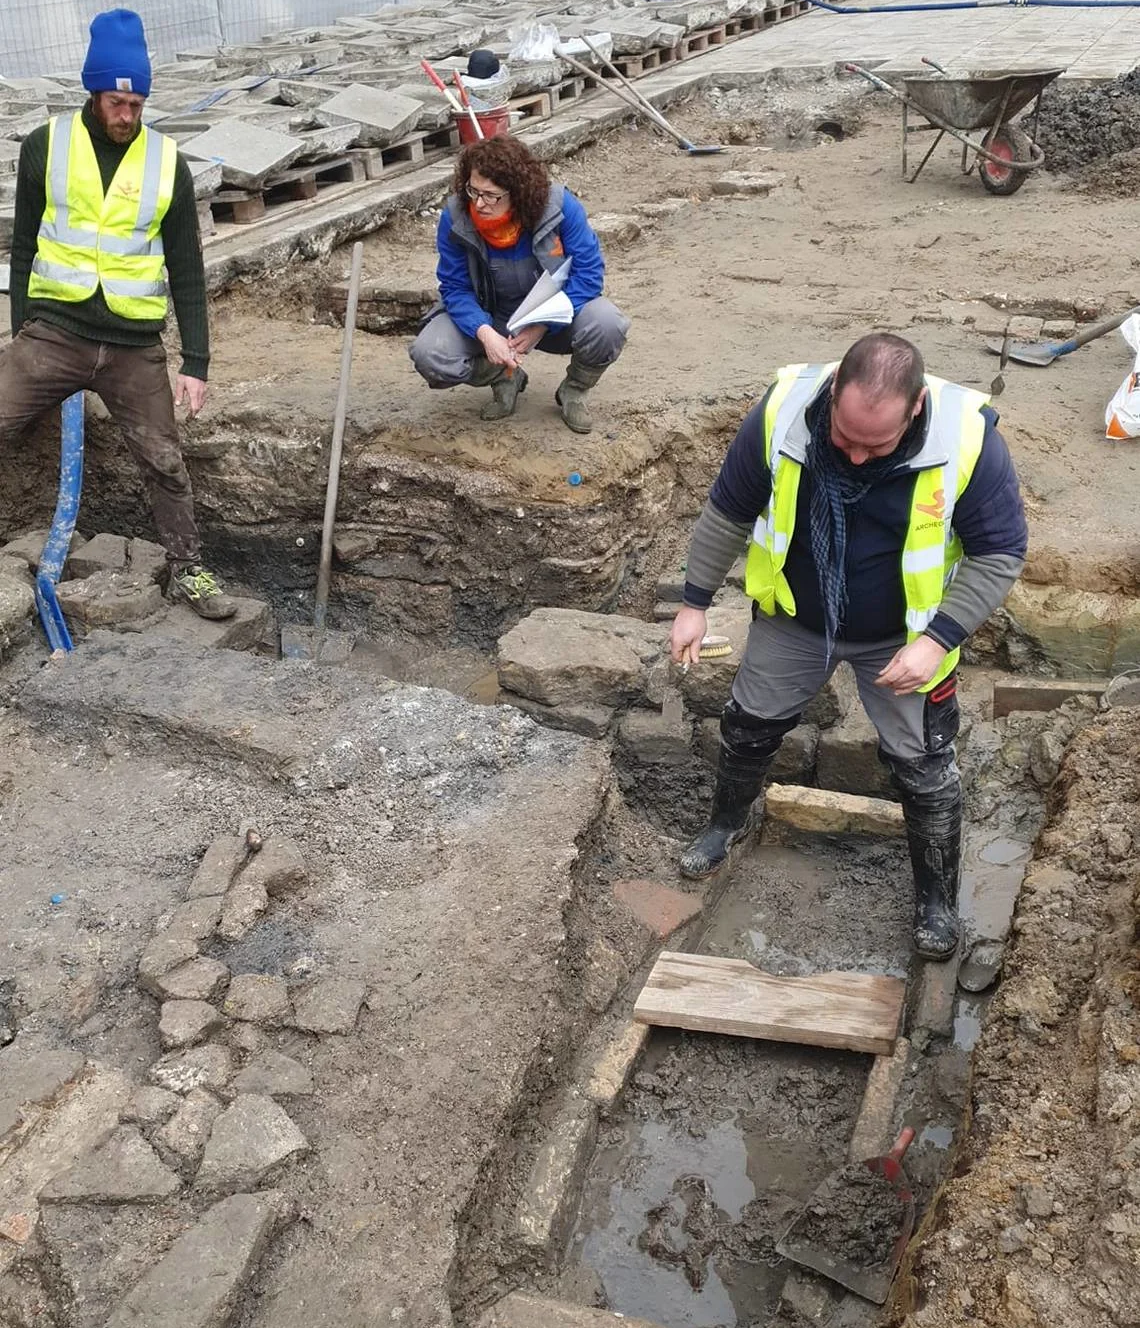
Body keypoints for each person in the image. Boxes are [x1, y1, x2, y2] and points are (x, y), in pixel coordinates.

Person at [670, 334, 1028, 960]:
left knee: (923, 764)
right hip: (796, 617)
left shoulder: (969, 442)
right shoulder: (782, 412)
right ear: (835, 392)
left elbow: (999, 553)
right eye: (846, 439)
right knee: (749, 725)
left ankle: (935, 899)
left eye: (878, 445)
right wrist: (694, 602)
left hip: (906, 636)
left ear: (915, 409)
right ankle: (726, 823)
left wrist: (937, 640)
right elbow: (729, 510)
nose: (859, 458)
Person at [1, 8, 236, 620]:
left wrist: (198, 363)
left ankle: (190, 568)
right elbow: (24, 245)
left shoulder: (166, 162)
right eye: (116, 103)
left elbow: (185, 266)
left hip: (133, 346)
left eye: (136, 106)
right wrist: (23, 326)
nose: (127, 117)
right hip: (54, 334)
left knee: (164, 458)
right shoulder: (44, 147)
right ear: (94, 92)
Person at [409, 135, 629, 435]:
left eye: (492, 195)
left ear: (519, 192)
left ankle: (574, 390)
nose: (479, 203)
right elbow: (454, 286)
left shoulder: (560, 207)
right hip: (490, 317)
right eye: (473, 190)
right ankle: (503, 375)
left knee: (607, 323)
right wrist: (485, 334)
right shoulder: (456, 216)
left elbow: (589, 275)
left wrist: (542, 325)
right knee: (430, 354)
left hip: (555, 319)